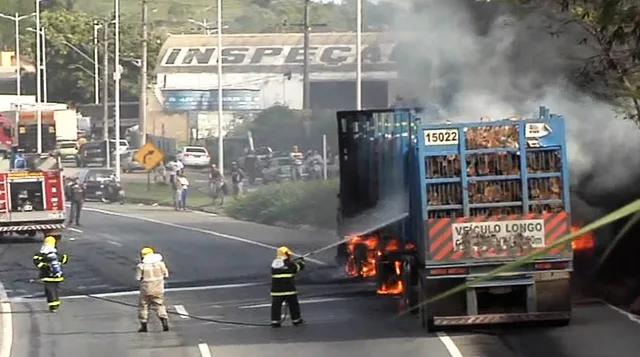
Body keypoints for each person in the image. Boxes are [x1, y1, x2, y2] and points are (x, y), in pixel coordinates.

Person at [136, 246, 170, 332]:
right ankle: (164, 321)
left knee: (143, 306)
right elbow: (166, 274)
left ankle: (144, 325)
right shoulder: (160, 264)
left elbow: (138, 278)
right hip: (158, 288)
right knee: (160, 305)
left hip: (146, 289)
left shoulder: (141, 266)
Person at [270, 246, 305, 328]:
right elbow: (298, 268)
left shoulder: (274, 264)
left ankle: (275, 321)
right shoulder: (290, 264)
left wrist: (291, 262)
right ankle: (296, 320)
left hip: (276, 291)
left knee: (276, 306)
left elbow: (284, 267)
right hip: (289, 290)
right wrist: (301, 261)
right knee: (293, 305)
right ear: (286, 254)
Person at [32, 236, 69, 312]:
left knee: (50, 291)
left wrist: (45, 267)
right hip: (57, 276)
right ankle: (55, 304)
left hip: (47, 276)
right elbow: (64, 259)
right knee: (55, 290)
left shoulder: (40, 254)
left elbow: (36, 262)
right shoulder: (56, 253)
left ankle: (53, 306)